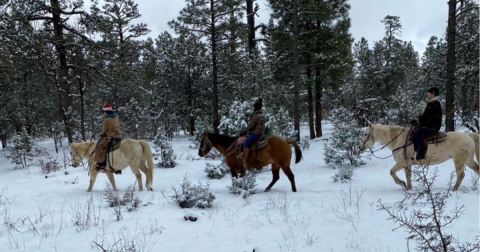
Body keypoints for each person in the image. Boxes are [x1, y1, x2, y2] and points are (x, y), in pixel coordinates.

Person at [409, 87, 442, 161]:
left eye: (429, 92)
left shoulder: (435, 103)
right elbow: (426, 116)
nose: (427, 94)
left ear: (433, 93)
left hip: (432, 126)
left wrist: (418, 121)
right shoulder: (432, 103)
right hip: (430, 125)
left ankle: (421, 154)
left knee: (419, 133)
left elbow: (429, 117)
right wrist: (417, 120)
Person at [94, 104, 122, 170]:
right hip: (118, 136)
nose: (103, 114)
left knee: (100, 146)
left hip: (111, 137)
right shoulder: (116, 118)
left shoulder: (107, 119)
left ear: (106, 112)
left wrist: (101, 135)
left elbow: (104, 131)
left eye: (104, 112)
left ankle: (102, 165)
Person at [239, 98, 266, 163]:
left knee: (246, 143)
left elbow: (251, 126)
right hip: (261, 133)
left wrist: (243, 131)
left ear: (255, 108)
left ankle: (244, 159)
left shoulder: (255, 116)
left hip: (255, 134)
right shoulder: (262, 115)